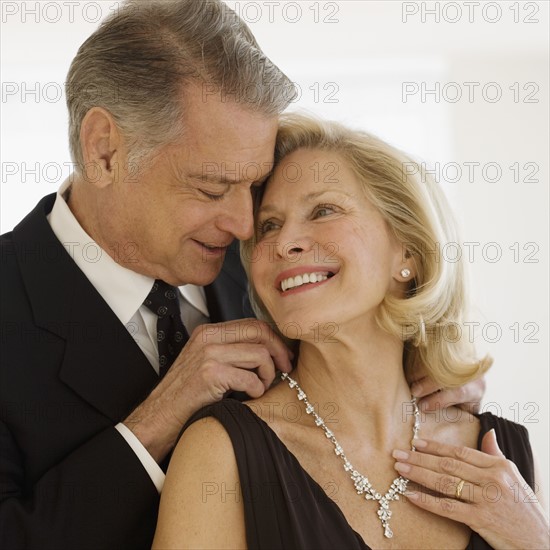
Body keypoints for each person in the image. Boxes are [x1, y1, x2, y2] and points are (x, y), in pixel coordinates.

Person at [0, 1, 484, 548]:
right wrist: (154, 424)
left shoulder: (276, 269)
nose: (246, 224)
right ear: (106, 151)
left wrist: (419, 370)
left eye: (254, 188)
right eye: (210, 188)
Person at [153, 114, 549, 549]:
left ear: (409, 253)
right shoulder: (221, 451)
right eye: (269, 225)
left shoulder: (498, 452)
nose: (285, 243)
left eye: (323, 210)